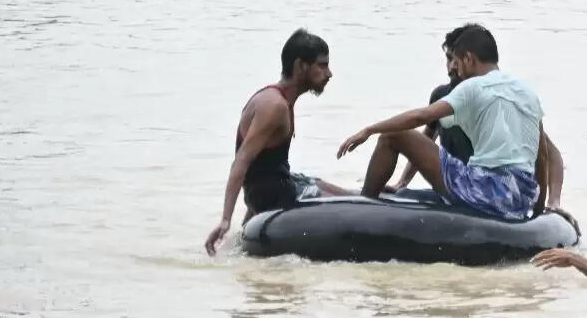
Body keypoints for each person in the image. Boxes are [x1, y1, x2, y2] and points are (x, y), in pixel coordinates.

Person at [337, 24, 550, 221]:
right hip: (521, 196)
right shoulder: (528, 93)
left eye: (457, 62)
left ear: (469, 58)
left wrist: (370, 129)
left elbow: (420, 117)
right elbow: (542, 156)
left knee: (394, 136)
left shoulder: (473, 87)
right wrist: (538, 212)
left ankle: (362, 210)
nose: (455, 70)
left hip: (485, 191)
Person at [205, 29, 350, 255]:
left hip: (278, 185)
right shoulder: (274, 106)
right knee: (348, 207)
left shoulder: (280, 100)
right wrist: (225, 220)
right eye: (322, 65)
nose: (329, 73)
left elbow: (262, 169)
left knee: (342, 191)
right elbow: (242, 162)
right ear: (301, 65)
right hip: (277, 195)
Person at [388, 26, 565, 209]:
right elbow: (425, 139)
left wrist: (553, 201)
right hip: (457, 183)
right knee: (405, 195)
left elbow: (548, 154)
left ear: (468, 59)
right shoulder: (442, 97)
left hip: (485, 187)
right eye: (448, 59)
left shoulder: (498, 99)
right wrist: (402, 181)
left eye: (455, 60)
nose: (452, 67)